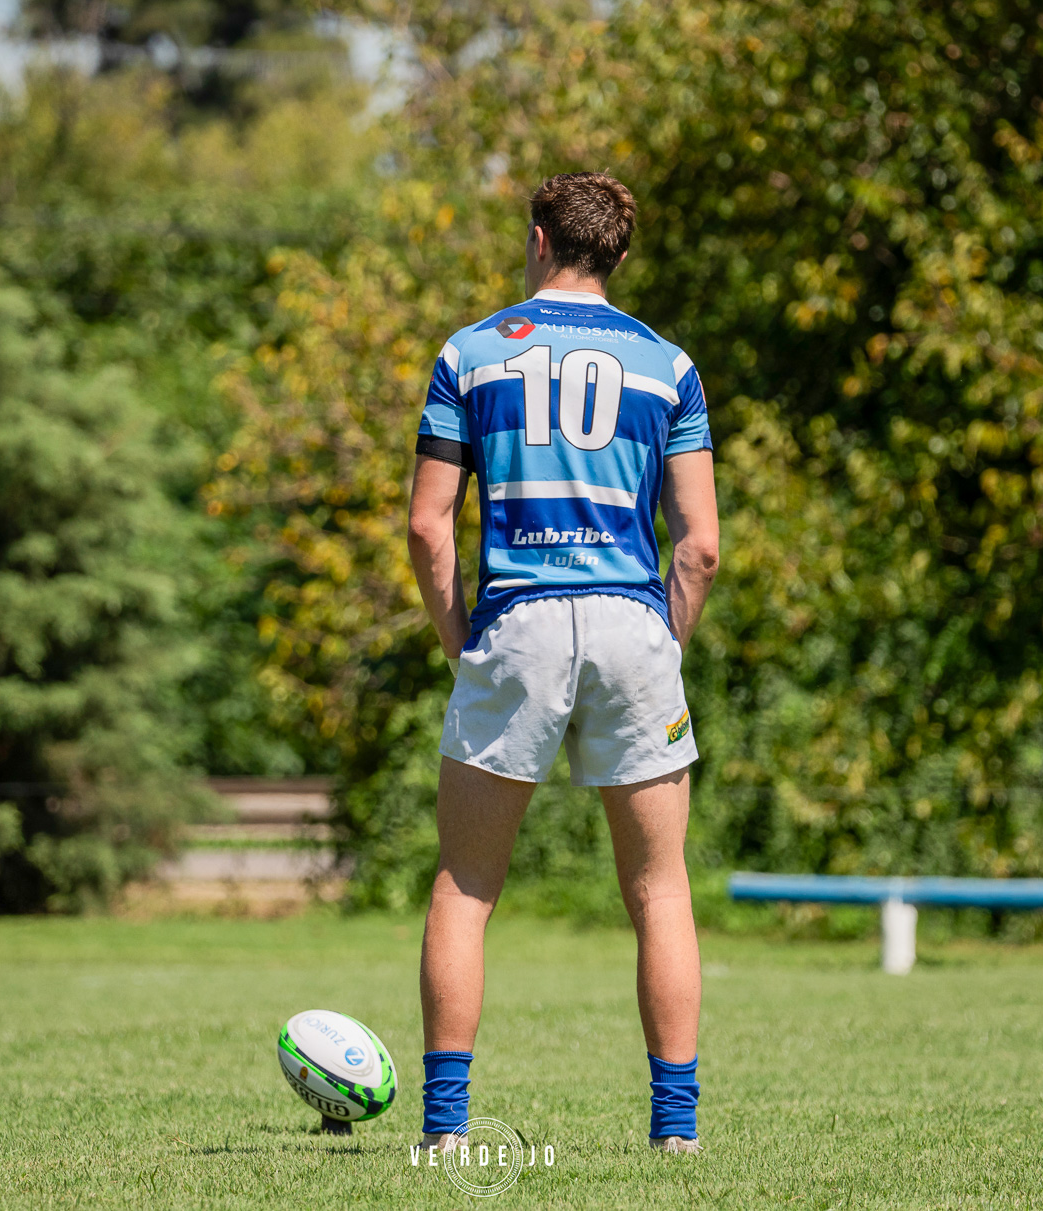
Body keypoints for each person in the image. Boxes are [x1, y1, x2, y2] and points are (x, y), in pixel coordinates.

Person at [407, 172, 720, 1155]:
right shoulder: (668, 366)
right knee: (660, 888)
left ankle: (448, 1131)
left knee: (466, 882)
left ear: (540, 239)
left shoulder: (469, 354)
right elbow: (700, 544)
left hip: (519, 620)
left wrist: (458, 632)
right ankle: (675, 1133)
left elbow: (427, 524)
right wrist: (664, 636)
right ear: (615, 253)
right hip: (633, 621)